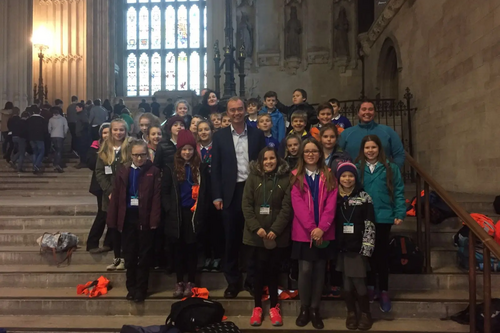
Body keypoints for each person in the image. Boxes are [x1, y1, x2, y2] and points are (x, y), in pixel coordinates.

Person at [211, 96, 267, 299]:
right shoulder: (220, 137)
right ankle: (233, 281)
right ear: (227, 113)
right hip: (230, 193)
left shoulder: (257, 134)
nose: (236, 113)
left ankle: (252, 280)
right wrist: (217, 195)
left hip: (252, 191)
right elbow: (215, 169)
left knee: (252, 239)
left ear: (245, 110)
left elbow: (264, 164)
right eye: (232, 110)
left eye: (239, 109)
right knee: (230, 238)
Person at [291, 138, 338, 330]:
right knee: (305, 270)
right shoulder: (295, 176)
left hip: (324, 231)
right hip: (304, 232)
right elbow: (298, 205)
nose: (311, 154)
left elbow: (331, 203)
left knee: (320, 270)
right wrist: (312, 228)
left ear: (320, 153)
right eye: (307, 151)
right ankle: (304, 308)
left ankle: (315, 309)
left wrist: (322, 228)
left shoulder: (329, 175)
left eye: (314, 151)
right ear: (302, 155)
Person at [243, 147, 292, 327]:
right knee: (257, 272)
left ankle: (274, 306)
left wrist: (276, 230)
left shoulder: (286, 179)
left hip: (276, 235)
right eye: (265, 159)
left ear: (277, 160)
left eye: (272, 158)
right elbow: (246, 205)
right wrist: (256, 228)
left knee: (273, 272)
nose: (269, 162)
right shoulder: (253, 178)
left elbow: (287, 207)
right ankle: (257, 307)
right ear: (260, 161)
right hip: (256, 235)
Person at [356, 134, 406, 313]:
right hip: (363, 219)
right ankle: (370, 287)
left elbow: (399, 191)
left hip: (384, 217)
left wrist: (400, 212)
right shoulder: (357, 168)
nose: (370, 151)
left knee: (382, 256)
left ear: (379, 149)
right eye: (367, 148)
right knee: (367, 255)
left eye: (373, 147)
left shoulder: (390, 168)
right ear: (363, 150)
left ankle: (383, 290)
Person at [107, 139, 160, 302]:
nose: (139, 158)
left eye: (142, 155)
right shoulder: (123, 170)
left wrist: (154, 220)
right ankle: (131, 287)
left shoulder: (153, 171)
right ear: (130, 155)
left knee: (144, 256)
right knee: (129, 255)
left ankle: (142, 289)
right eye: (136, 155)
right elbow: (116, 195)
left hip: (144, 216)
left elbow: (156, 198)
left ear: (147, 154)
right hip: (128, 216)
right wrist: (113, 220)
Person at [162, 129, 206, 298]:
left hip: (193, 213)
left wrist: (201, 209)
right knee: (178, 249)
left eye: (190, 149)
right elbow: (164, 191)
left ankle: (191, 281)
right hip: (177, 214)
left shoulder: (200, 168)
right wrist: (169, 208)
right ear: (179, 150)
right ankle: (179, 281)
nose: (187, 152)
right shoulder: (171, 168)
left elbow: (205, 191)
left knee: (192, 249)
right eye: (184, 149)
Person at [335, 162, 375, 331]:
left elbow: (370, 224)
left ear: (355, 178)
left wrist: (367, 247)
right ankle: (351, 313)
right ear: (339, 178)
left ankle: (365, 313)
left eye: (350, 176)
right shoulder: (334, 197)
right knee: (346, 283)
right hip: (341, 247)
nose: (347, 179)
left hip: (358, 247)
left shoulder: (364, 197)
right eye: (344, 176)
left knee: (358, 281)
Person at [95, 119, 131, 271]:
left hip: (127, 195)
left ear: (126, 130)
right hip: (110, 197)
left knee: (126, 228)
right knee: (114, 228)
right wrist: (110, 191)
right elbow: (99, 172)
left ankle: (126, 257)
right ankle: (117, 258)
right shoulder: (104, 149)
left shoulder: (130, 147)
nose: (118, 133)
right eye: (115, 130)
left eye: (121, 130)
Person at [339, 100, 405, 168]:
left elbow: (399, 154)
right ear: (358, 113)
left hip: (382, 177)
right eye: (364, 109)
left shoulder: (388, 132)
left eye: (370, 109)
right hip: (355, 176)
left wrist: (393, 171)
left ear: (375, 113)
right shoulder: (346, 134)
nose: (367, 112)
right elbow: (337, 155)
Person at [197, 120, 223, 272]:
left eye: (206, 129)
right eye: (201, 130)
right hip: (200, 192)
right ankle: (206, 257)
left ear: (212, 130)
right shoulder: (195, 149)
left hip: (216, 189)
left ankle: (218, 257)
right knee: (203, 226)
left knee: (217, 226)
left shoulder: (217, 147)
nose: (204, 132)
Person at [86, 123, 113, 254]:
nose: (107, 135)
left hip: (113, 185)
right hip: (100, 186)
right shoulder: (96, 146)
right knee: (103, 214)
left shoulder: (116, 147)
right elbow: (90, 163)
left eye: (109, 132)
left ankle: (109, 242)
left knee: (112, 215)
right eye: (104, 133)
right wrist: (102, 154)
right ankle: (92, 243)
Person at [26, 106, 48, 174]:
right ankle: (36, 165)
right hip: (40, 138)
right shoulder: (42, 119)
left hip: (31, 138)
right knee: (41, 151)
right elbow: (45, 130)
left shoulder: (29, 119)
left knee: (35, 152)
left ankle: (34, 166)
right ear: (39, 112)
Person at [48, 106, 69, 173]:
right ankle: (57, 164)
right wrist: (64, 134)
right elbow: (66, 127)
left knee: (55, 150)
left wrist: (51, 133)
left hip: (53, 136)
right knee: (59, 151)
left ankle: (55, 163)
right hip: (60, 135)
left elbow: (49, 128)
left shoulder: (51, 119)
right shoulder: (63, 119)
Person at [8, 107, 27, 172]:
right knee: (22, 153)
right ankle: (19, 167)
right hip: (20, 137)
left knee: (18, 150)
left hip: (13, 136)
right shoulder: (22, 121)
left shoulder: (11, 119)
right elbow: (24, 131)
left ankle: (13, 160)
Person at [74, 103, 91, 169]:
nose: (76, 108)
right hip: (81, 134)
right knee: (81, 149)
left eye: (77, 107)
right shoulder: (80, 114)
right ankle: (82, 162)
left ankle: (83, 162)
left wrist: (81, 131)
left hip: (83, 135)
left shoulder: (83, 115)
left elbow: (86, 123)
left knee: (83, 149)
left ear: (81, 108)